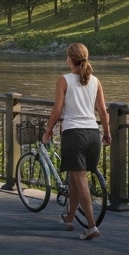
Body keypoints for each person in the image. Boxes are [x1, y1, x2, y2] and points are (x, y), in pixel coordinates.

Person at [42, 42, 111, 241]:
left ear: (70, 59)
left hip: (74, 135)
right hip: (92, 134)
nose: (66, 59)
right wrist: (106, 132)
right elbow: (103, 111)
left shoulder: (64, 80)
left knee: (81, 181)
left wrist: (48, 130)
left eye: (66, 56)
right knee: (75, 178)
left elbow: (57, 110)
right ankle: (70, 218)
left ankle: (91, 226)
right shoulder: (95, 81)